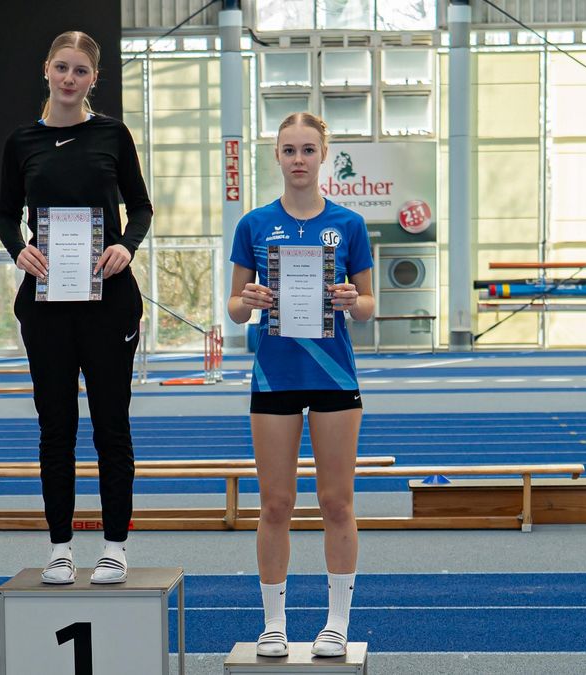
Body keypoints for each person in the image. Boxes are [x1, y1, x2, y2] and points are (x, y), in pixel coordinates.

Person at [0, 30, 152, 585]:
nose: (69, 79)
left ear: (93, 79)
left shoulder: (113, 134)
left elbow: (142, 207)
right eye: (61, 68)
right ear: (46, 70)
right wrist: (21, 251)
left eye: (80, 71)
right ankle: (60, 547)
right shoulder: (22, 142)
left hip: (110, 302)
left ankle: (114, 546)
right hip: (47, 305)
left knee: (112, 427)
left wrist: (124, 247)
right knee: (54, 429)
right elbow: (4, 216)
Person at [227, 112, 374, 658]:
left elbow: (368, 305)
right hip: (274, 376)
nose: (298, 159)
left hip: (335, 377)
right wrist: (253, 300)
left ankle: (337, 621)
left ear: (324, 156)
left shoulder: (350, 225)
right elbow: (236, 307)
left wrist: (350, 301)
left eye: (308, 150)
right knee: (275, 504)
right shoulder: (255, 224)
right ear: (277, 157)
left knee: (337, 502)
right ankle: (273, 623)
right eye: (288, 150)